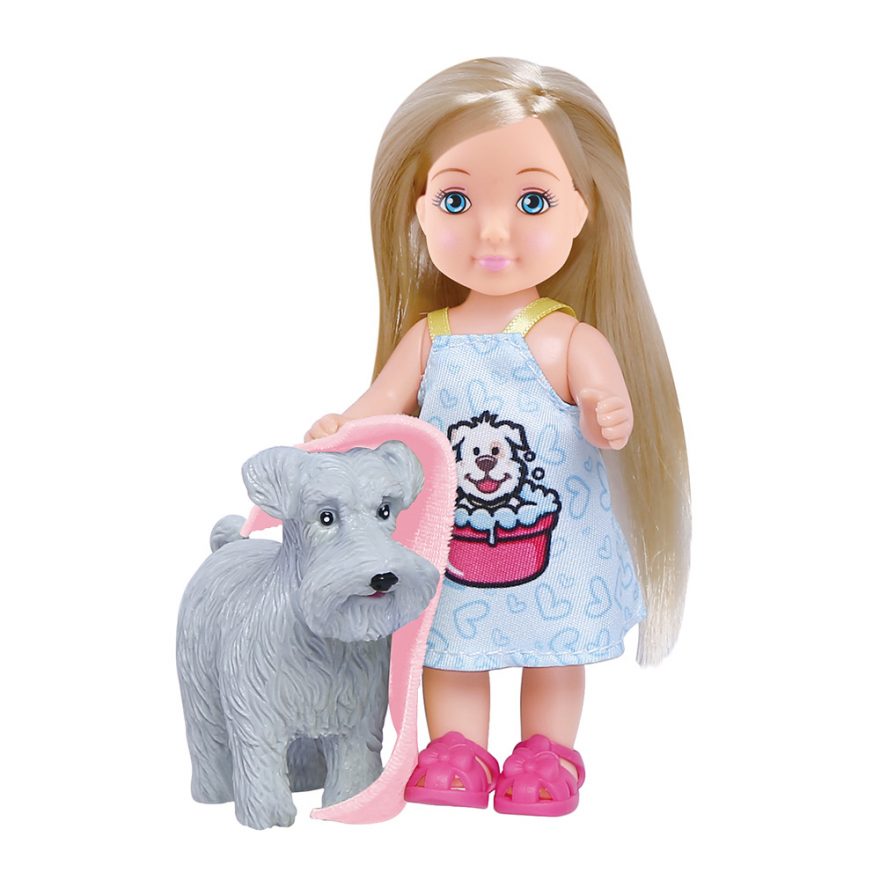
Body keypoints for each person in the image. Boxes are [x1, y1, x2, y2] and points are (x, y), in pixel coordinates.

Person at [306, 56, 691, 816]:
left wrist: (607, 412)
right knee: (449, 645)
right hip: (452, 542)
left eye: (532, 201)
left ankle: (548, 752)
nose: (492, 230)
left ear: (582, 211)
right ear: (420, 211)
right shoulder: (431, 336)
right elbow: (383, 403)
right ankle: (457, 746)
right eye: (456, 200)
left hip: (555, 541)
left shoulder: (568, 338)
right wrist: (343, 428)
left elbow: (609, 403)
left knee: (553, 652)